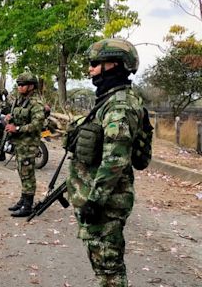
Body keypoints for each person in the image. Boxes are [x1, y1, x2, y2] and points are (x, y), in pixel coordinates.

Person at [66, 38, 144, 287]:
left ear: (114, 65)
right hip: (96, 197)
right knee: (102, 265)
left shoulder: (120, 105)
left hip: (106, 203)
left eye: (95, 63)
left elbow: (115, 159)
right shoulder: (108, 100)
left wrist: (95, 200)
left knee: (109, 269)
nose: (90, 69)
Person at [5, 72, 45, 217]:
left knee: (28, 174)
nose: (19, 87)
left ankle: (28, 205)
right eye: (18, 84)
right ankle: (23, 199)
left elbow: (36, 124)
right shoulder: (20, 100)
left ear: (31, 86)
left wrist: (16, 129)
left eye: (22, 85)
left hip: (29, 144)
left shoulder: (36, 103)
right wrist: (10, 118)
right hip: (19, 143)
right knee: (22, 171)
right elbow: (19, 116)